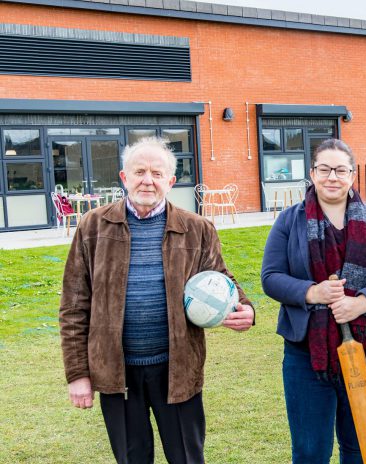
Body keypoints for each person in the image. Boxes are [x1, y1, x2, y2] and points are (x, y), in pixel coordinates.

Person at [59, 137, 255, 464]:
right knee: (133, 458)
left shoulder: (197, 229)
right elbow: (73, 307)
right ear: (124, 177)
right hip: (116, 373)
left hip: (178, 370)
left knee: (187, 457)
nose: (147, 180)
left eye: (156, 173)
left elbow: (223, 280)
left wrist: (245, 309)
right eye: (139, 172)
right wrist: (78, 373)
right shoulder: (93, 227)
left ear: (170, 181)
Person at [261, 138, 366, 464]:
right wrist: (313, 293)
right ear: (312, 173)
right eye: (324, 169)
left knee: (358, 446)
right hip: (306, 355)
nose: (332, 177)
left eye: (341, 170)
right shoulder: (290, 221)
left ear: (353, 175)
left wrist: (362, 303)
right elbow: (270, 277)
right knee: (311, 451)